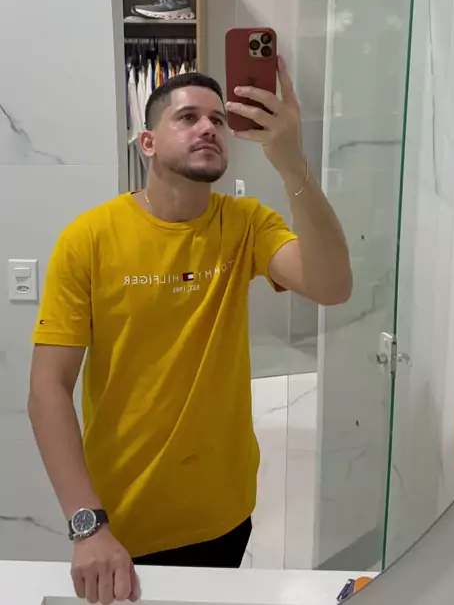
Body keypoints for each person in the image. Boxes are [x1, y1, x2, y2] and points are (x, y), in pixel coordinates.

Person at [28, 57, 352, 605]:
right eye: (187, 117)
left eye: (219, 120)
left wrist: (293, 165)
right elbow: (47, 390)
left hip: (224, 515)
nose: (209, 127)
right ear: (148, 143)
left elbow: (333, 285)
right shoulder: (88, 239)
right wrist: (87, 524)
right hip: (121, 523)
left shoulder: (246, 224)